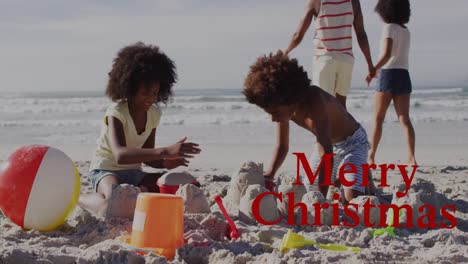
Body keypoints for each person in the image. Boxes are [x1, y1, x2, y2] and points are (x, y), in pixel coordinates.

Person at [79, 42, 201, 216]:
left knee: (179, 189)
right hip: (106, 170)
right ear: (130, 88)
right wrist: (166, 150)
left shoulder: (154, 113)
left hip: (134, 173)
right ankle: (80, 198)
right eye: (145, 93)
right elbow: (121, 155)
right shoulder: (117, 111)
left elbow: (148, 155)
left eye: (155, 93)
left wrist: (166, 162)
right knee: (112, 205)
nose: (150, 98)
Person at [243, 52, 374, 203]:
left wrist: (321, 200)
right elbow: (282, 146)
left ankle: (363, 176)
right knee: (307, 190)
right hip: (328, 145)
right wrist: (270, 173)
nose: (273, 118)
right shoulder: (283, 108)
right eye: (269, 113)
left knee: (351, 198)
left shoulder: (316, 100)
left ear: (291, 98)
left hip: (353, 143)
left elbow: (326, 154)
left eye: (274, 113)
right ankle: (346, 175)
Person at [284, 0, 375, 108]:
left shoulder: (316, 1)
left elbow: (298, 35)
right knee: (341, 107)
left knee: (322, 106)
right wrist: (370, 64)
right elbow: (361, 36)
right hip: (346, 60)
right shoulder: (353, 2)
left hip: (324, 59)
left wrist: (286, 52)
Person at [366, 0, 416, 165]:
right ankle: (411, 157)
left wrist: (373, 69)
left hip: (388, 73)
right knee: (405, 120)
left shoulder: (389, 28)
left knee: (378, 119)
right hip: (403, 74)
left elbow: (387, 54)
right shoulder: (406, 30)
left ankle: (371, 155)